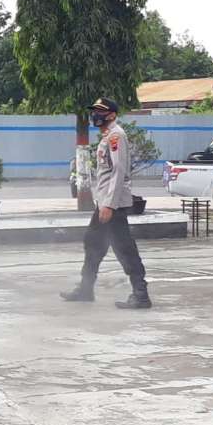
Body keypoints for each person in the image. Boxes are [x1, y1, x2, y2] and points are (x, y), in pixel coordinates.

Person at [60, 97, 152, 309]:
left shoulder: (116, 136)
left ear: (112, 114)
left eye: (101, 111)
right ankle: (85, 288)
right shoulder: (107, 137)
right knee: (93, 243)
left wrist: (109, 205)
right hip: (104, 202)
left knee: (123, 248)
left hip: (113, 204)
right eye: (95, 111)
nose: (96, 115)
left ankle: (141, 294)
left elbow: (119, 171)